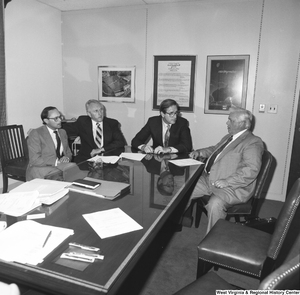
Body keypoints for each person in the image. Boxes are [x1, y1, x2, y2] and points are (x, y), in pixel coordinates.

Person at [185, 107, 264, 233]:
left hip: (232, 187)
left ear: (243, 124)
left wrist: (228, 181)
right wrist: (199, 152)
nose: (227, 123)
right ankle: (175, 222)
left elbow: (250, 170)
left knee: (215, 205)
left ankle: (213, 242)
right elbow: (215, 150)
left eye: (230, 120)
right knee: (183, 190)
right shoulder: (229, 137)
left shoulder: (253, 142)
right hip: (210, 180)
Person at [26, 106, 73, 181]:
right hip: (40, 167)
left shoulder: (62, 132)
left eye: (60, 117)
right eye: (56, 118)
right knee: (60, 174)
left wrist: (66, 158)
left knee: (74, 168)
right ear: (46, 121)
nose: (60, 120)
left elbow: (69, 153)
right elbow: (35, 160)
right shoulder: (36, 133)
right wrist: (56, 162)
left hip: (59, 166)